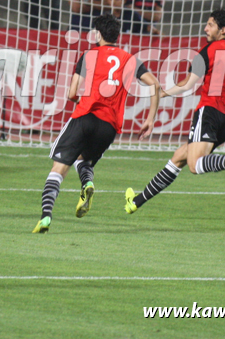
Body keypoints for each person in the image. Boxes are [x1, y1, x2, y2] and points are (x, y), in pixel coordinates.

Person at [125, 9, 225, 214]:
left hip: (209, 113)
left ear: (222, 30)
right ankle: (135, 202)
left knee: (194, 165)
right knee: (179, 157)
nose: (205, 29)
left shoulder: (208, 51)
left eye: (210, 25)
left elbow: (187, 84)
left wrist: (163, 93)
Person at [33, 14, 160, 233]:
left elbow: (72, 93)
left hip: (85, 116)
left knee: (58, 169)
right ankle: (87, 184)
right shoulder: (130, 59)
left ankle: (45, 216)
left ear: (98, 34)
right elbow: (155, 85)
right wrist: (150, 119)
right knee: (84, 160)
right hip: (109, 127)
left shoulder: (89, 55)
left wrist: (82, 100)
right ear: (117, 36)